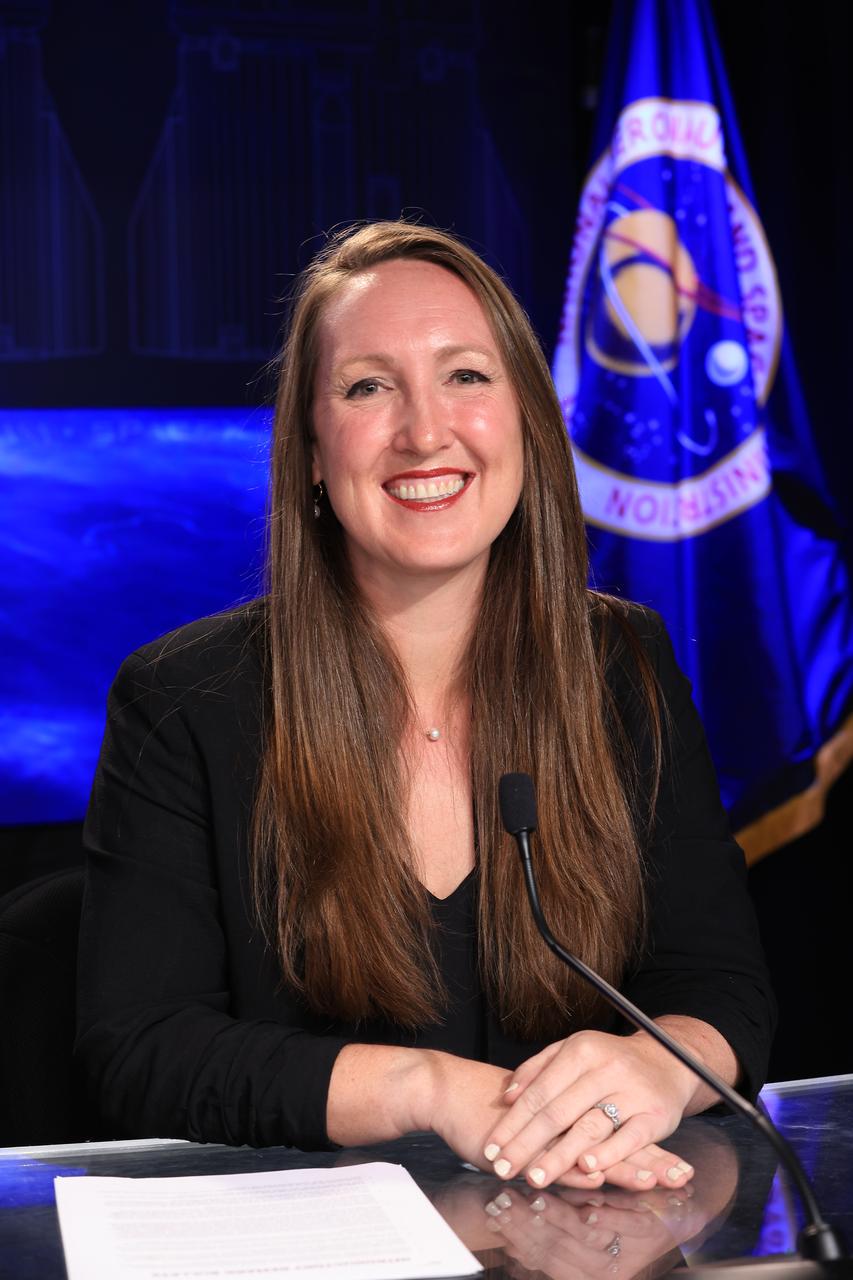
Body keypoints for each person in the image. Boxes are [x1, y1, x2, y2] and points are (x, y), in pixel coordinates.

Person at [76, 221, 775, 1194]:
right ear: (312, 453)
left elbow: (722, 985)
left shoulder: (623, 663)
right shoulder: (184, 703)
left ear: (527, 419)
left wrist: (659, 1064)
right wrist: (426, 1086)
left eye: (465, 376)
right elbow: (141, 1050)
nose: (424, 430)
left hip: (586, 1229)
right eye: (368, 386)